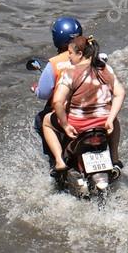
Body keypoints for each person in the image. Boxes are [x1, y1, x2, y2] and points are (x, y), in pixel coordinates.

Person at [42, 34, 125, 178]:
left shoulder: (70, 73)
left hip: (78, 124)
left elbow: (57, 102)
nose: (69, 58)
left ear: (80, 54)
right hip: (103, 124)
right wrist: (110, 119)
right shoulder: (105, 69)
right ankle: (115, 158)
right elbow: (120, 93)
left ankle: (59, 161)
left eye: (70, 54)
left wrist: (66, 125)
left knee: (46, 122)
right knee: (115, 120)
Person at [34, 15, 83, 156]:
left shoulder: (54, 64)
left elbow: (44, 94)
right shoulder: (92, 56)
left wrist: (35, 89)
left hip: (69, 113)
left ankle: (55, 160)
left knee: (41, 121)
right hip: (93, 108)